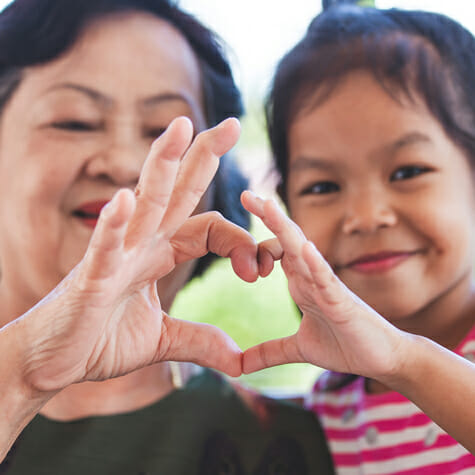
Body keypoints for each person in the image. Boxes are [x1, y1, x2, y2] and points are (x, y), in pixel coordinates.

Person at [0, 1, 335, 473]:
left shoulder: (283, 445)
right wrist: (19, 379)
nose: (123, 162)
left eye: (166, 131)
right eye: (74, 121)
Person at [240, 5, 475, 473]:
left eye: (408, 171)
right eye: (322, 187)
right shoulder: (330, 403)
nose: (366, 218)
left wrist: (407, 363)